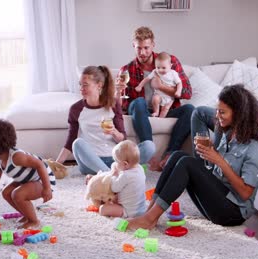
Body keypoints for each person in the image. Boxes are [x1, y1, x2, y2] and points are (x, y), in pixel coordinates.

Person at [127, 84, 258, 230]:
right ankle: (149, 213)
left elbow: (245, 193)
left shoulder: (254, 147)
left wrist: (219, 161)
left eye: (222, 112)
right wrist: (210, 154)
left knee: (187, 163)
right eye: (218, 111)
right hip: (217, 202)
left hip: (232, 213)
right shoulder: (228, 134)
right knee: (177, 156)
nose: (217, 116)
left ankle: (149, 219)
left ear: (238, 113)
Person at [115, 26, 194, 171]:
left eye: (146, 47)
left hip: (166, 107)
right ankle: (149, 151)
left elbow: (187, 92)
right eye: (139, 48)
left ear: (153, 45)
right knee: (138, 102)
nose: (143, 52)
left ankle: (169, 155)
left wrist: (162, 87)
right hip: (141, 110)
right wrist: (118, 92)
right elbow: (124, 107)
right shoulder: (126, 70)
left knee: (190, 110)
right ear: (133, 45)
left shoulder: (170, 61)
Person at [55, 65, 155, 175]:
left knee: (149, 146)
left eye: (85, 85)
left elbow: (122, 138)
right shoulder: (76, 109)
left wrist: (114, 132)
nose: (81, 88)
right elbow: (70, 142)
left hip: (115, 159)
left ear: (99, 85)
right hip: (90, 163)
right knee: (77, 143)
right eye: (80, 85)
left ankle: (110, 174)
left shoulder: (112, 104)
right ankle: (112, 175)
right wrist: (56, 165)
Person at [0, 118, 56, 229]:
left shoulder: (16, 157)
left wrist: (47, 188)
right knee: (6, 193)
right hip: (26, 180)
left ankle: (34, 221)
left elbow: (40, 164)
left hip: (43, 180)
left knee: (17, 194)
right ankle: (27, 214)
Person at [94, 140, 147, 218]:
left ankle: (117, 211)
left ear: (125, 164)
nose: (115, 163)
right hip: (141, 208)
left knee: (103, 209)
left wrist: (114, 175)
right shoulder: (140, 168)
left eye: (116, 161)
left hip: (128, 211)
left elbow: (114, 188)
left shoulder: (125, 175)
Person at [135, 52, 182, 118]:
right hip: (159, 94)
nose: (160, 70)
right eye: (158, 67)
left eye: (163, 68)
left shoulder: (173, 73)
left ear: (170, 66)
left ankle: (160, 119)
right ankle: (156, 112)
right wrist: (140, 86)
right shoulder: (155, 71)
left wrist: (178, 91)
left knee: (165, 109)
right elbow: (147, 79)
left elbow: (179, 83)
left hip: (169, 97)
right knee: (155, 99)